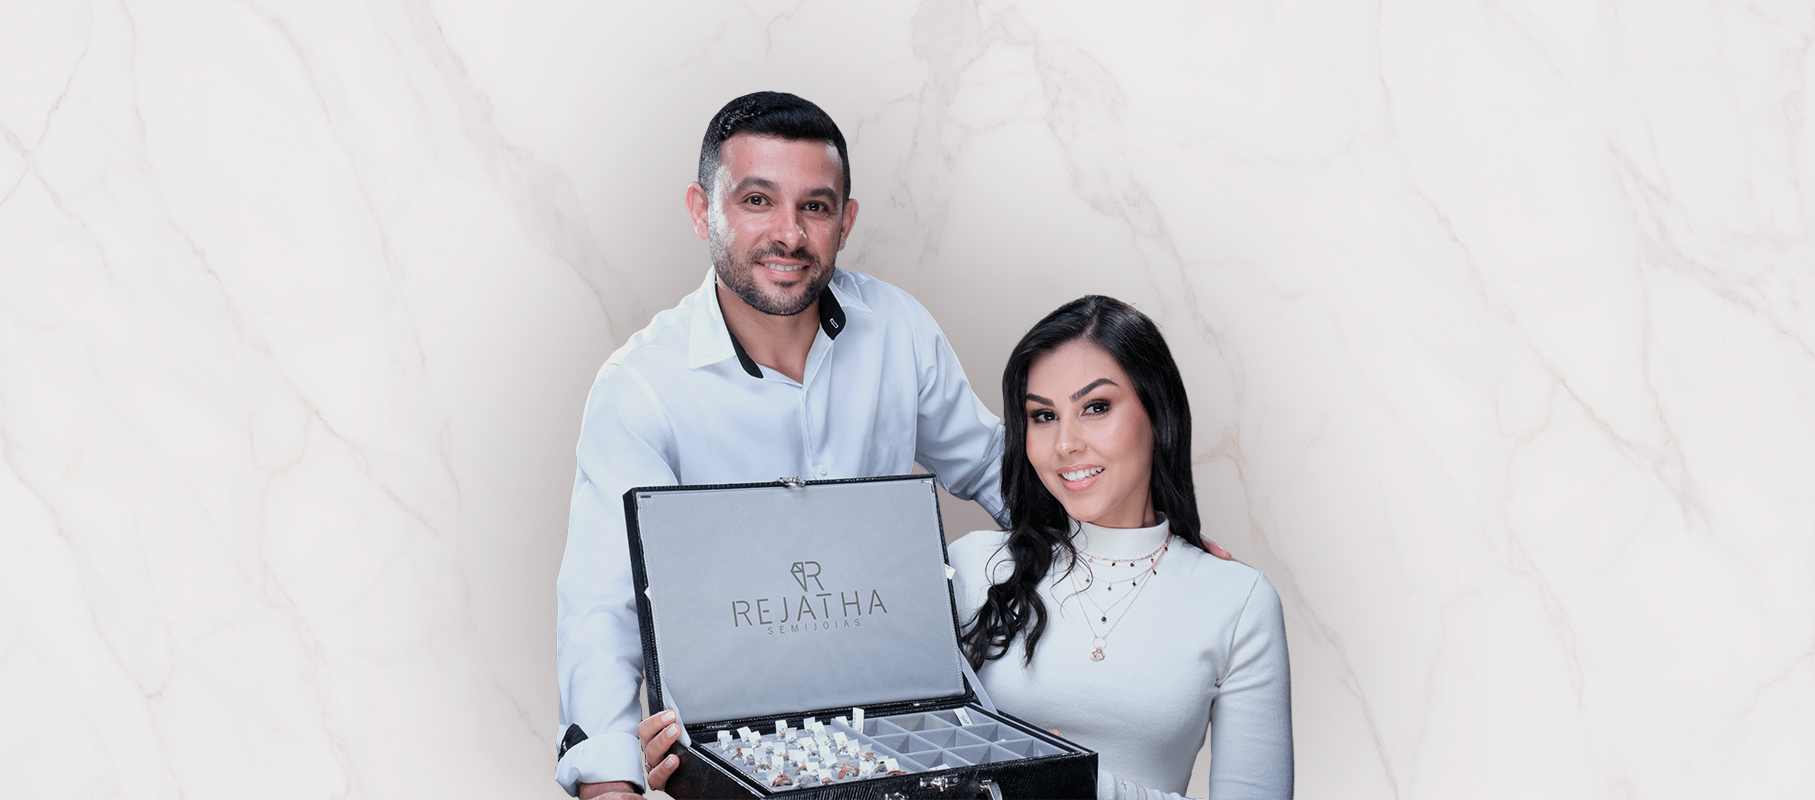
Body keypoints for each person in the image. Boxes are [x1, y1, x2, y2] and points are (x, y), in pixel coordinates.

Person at [554, 91, 1011, 798]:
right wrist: (609, 779)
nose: (789, 234)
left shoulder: (898, 329)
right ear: (702, 211)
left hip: (905, 716)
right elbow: (600, 607)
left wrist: (1142, 546)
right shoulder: (641, 386)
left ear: (845, 221)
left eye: (815, 207)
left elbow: (992, 465)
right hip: (730, 740)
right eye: (757, 201)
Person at [951, 295, 1293, 799]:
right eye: (1043, 416)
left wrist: (1079, 786)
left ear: (1158, 411)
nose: (1065, 443)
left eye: (1095, 407)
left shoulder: (1237, 601)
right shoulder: (972, 566)